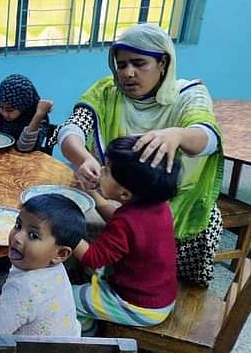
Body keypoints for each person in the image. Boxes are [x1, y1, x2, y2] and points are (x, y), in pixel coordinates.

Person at [55, 23, 224, 286]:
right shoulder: (107, 92)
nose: (128, 73)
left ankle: (164, 289)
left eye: (139, 63)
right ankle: (99, 281)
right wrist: (85, 158)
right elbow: (71, 129)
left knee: (206, 219)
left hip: (173, 199)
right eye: (121, 65)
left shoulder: (189, 95)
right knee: (69, 205)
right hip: (117, 189)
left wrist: (178, 135)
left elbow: (208, 137)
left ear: (163, 63)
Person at [72, 136, 180, 336]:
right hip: (160, 294)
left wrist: (64, 228)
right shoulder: (157, 205)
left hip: (137, 304)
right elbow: (125, 228)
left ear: (124, 195)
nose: (101, 171)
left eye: (107, 171)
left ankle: (88, 338)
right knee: (88, 277)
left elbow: (92, 258)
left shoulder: (126, 221)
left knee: (67, 299)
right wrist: (94, 193)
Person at [0, 194, 84, 353]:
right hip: (65, 345)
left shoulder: (23, 289)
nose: (17, 237)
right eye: (18, 224)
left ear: (61, 254)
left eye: (33, 235)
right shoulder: (55, 266)